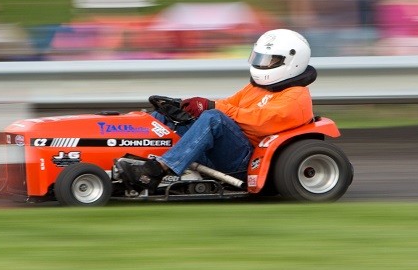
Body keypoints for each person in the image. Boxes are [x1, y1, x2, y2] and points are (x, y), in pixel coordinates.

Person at [117, 28, 317, 191]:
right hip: (225, 150)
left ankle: (156, 171)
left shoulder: (295, 97)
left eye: (270, 60)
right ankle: (122, 149)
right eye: (260, 58)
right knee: (166, 115)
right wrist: (190, 107)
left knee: (214, 118)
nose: (262, 64)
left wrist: (210, 107)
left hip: (244, 162)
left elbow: (260, 122)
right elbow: (229, 103)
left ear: (292, 61)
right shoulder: (257, 88)